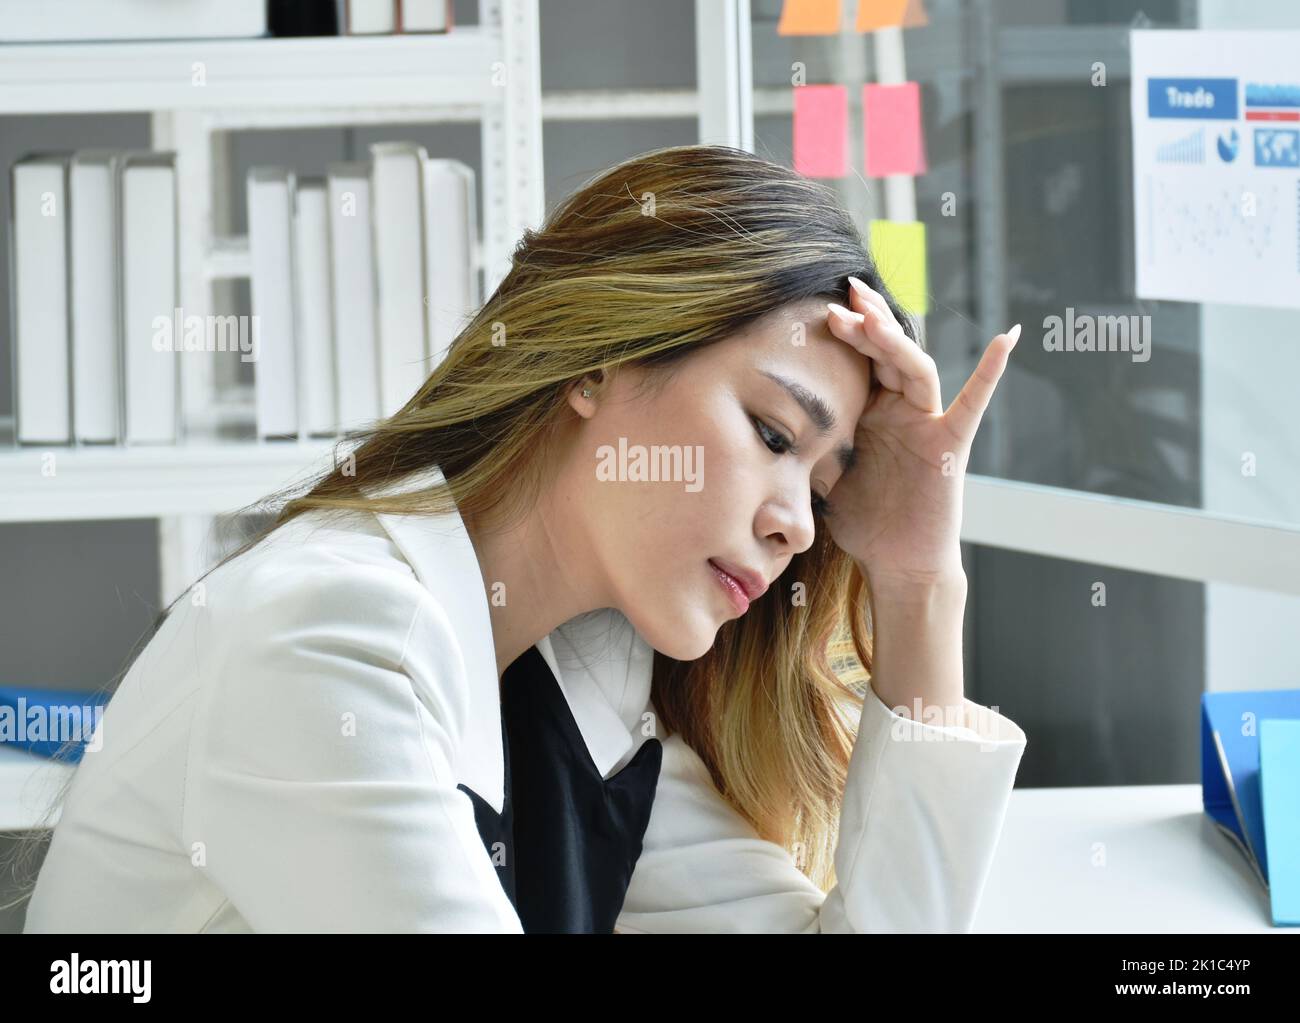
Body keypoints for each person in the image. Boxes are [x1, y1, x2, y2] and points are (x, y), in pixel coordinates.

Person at [18, 144, 1026, 933]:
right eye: (771, 435)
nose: (797, 525)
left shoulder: (573, 667)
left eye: (821, 485)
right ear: (594, 364)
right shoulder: (327, 641)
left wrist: (917, 578)